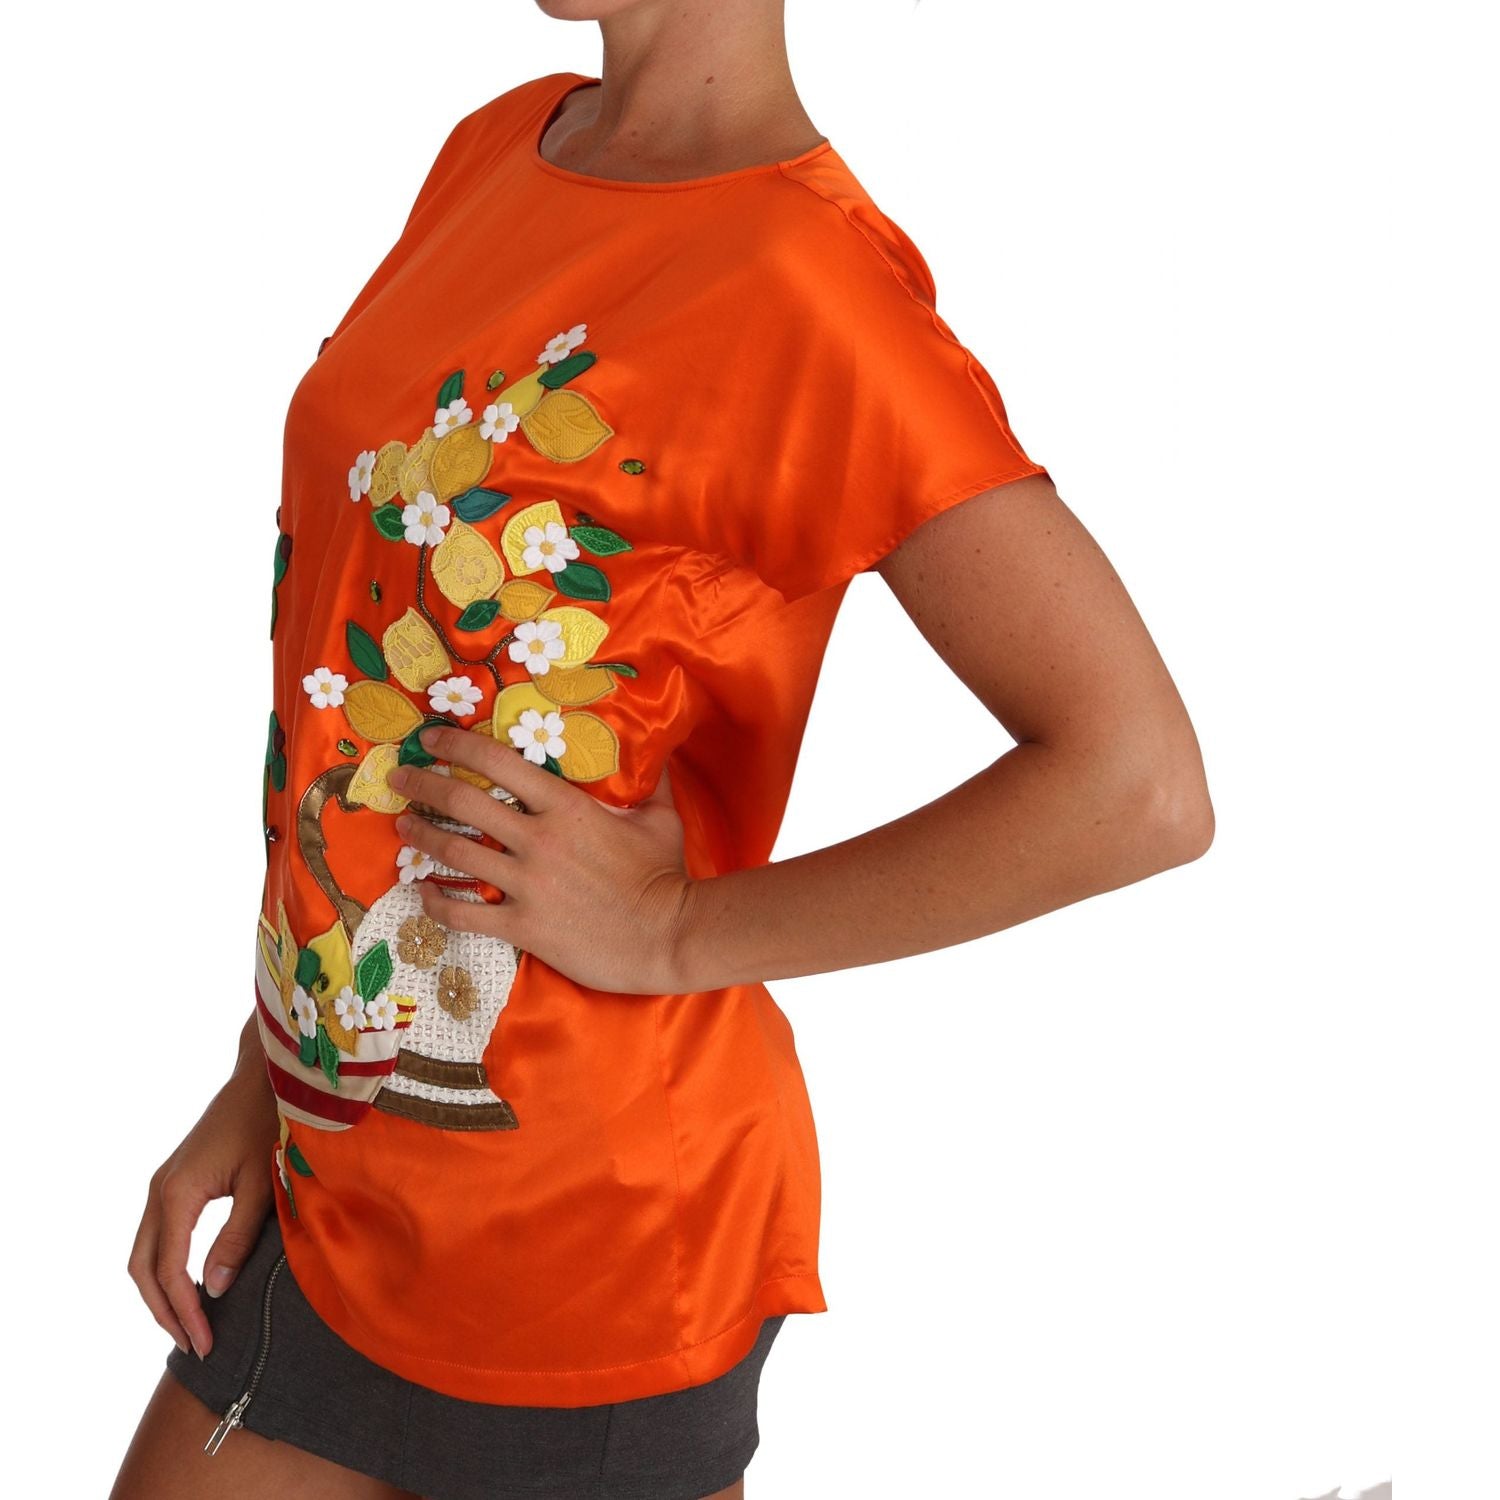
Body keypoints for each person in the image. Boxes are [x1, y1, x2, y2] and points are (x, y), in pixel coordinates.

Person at [111, 3, 1215, 1497]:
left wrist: (674, 927)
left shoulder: (802, 283)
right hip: (343, 1169)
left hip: (596, 1235)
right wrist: (266, 1075)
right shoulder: (498, 147)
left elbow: (1136, 784)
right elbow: (371, 670)